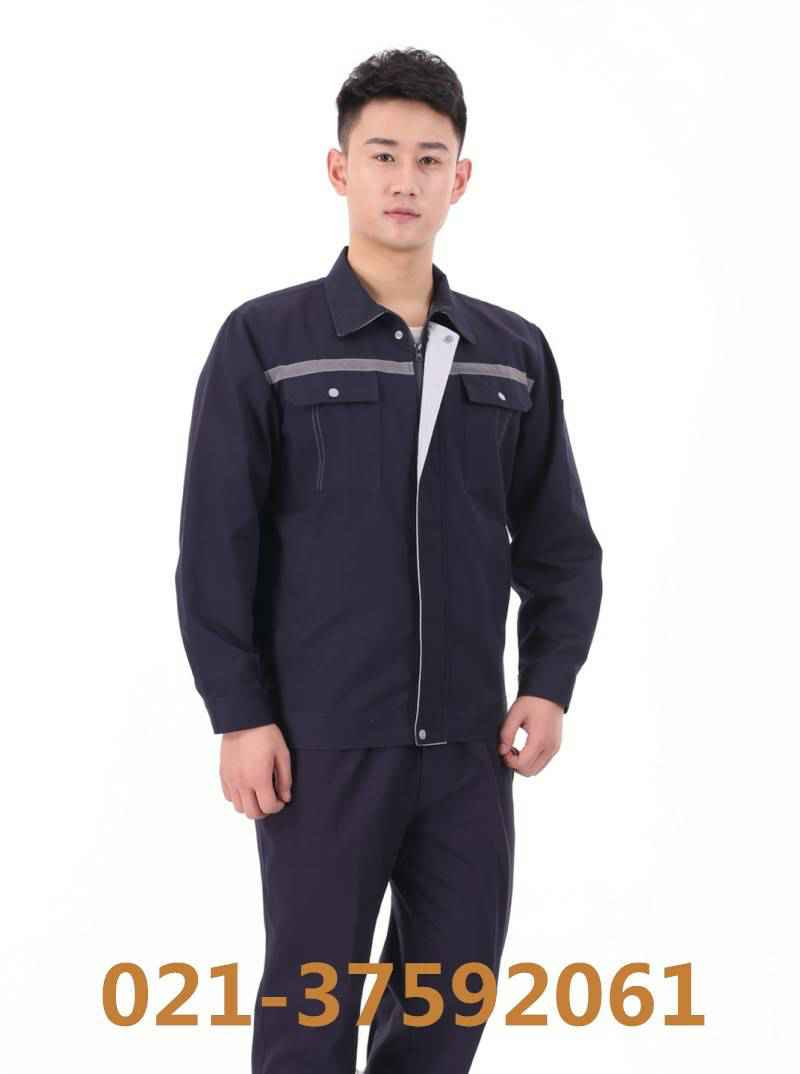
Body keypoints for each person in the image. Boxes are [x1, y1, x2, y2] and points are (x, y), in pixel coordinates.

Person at [174, 46, 603, 1074]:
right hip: (320, 747)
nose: (404, 180)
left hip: (467, 752)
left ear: (461, 177)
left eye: (428, 159)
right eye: (381, 156)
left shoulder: (511, 353)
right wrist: (239, 713)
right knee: (309, 1018)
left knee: (446, 1013)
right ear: (340, 170)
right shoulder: (266, 341)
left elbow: (559, 545)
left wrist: (547, 684)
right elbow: (216, 547)